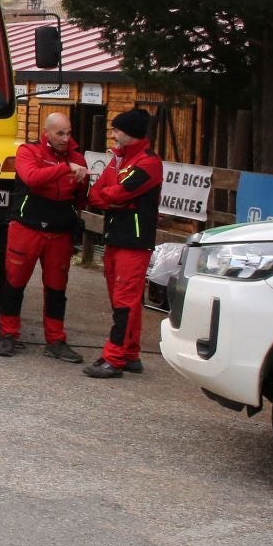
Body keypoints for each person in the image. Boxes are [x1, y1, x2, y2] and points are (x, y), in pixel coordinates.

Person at [0, 112, 89, 362]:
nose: (65, 138)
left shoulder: (78, 158)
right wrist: (64, 169)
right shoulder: (29, 151)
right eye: (60, 133)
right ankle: (8, 334)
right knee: (15, 282)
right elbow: (31, 178)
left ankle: (56, 339)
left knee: (57, 287)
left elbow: (81, 197)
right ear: (46, 132)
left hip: (59, 231)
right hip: (27, 227)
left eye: (69, 133)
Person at [85, 107, 162, 378]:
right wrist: (116, 198)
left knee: (125, 301)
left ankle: (113, 358)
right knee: (122, 299)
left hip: (135, 240)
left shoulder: (148, 163)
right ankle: (130, 353)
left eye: (117, 129)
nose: (113, 134)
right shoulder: (119, 160)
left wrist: (115, 198)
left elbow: (118, 192)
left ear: (129, 132)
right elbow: (97, 195)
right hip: (116, 236)